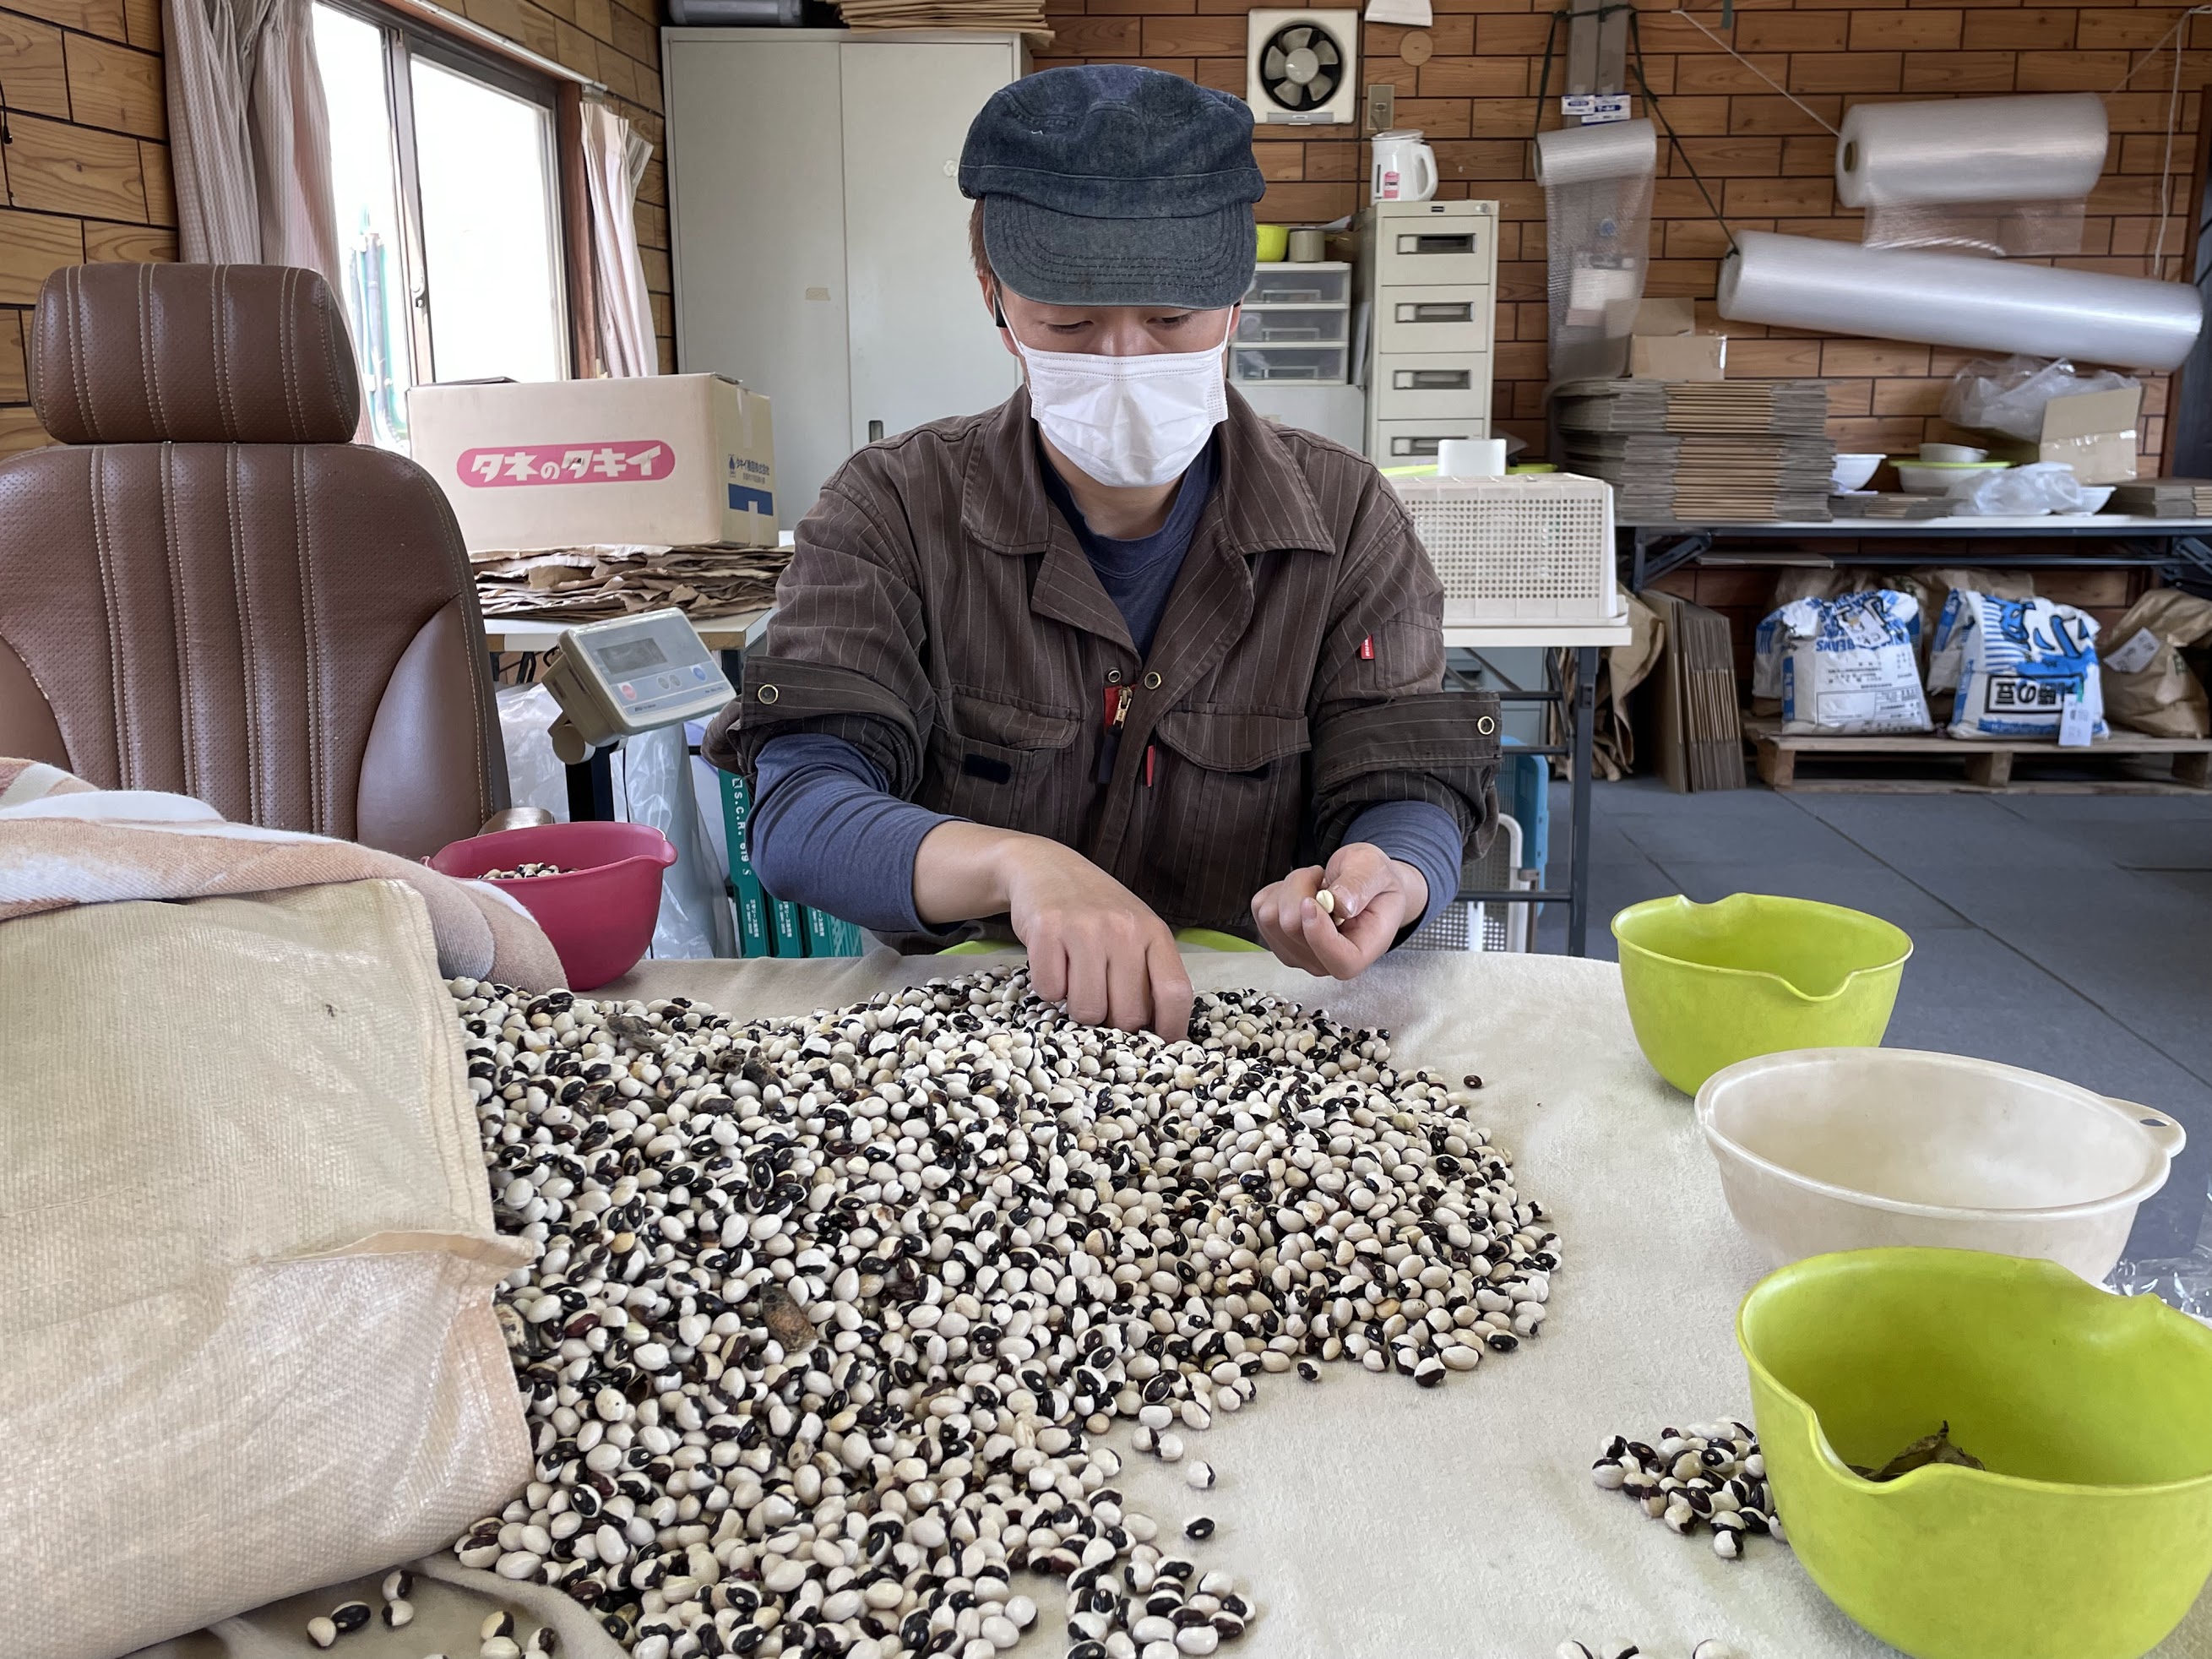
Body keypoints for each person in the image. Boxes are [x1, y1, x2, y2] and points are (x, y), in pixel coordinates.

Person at [704, 63, 1498, 1040]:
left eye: (1172, 319)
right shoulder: (894, 507)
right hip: (967, 1041)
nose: (1125, 360)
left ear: (1236, 304)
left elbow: (1407, 780)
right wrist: (1016, 864)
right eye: (1069, 324)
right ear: (995, 299)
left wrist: (1392, 869)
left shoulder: (1346, 520)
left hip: (1251, 1035)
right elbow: (801, 814)